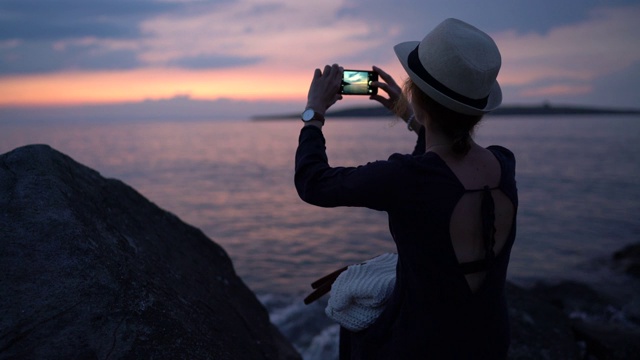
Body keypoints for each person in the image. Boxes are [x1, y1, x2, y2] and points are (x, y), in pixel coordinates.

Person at [295, 18, 517, 359]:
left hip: (423, 346)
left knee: (353, 326)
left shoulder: (406, 178)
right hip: (489, 340)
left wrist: (314, 113)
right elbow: (436, 175)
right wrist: (415, 120)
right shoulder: (504, 164)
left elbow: (313, 183)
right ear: (476, 112)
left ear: (420, 99)